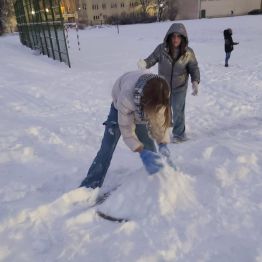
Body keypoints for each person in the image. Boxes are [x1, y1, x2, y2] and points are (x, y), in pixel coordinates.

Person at [80, 71, 173, 189]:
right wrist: (141, 151)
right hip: (118, 108)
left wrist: (163, 143)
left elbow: (159, 120)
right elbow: (126, 128)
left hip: (143, 107)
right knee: (107, 147)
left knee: (149, 146)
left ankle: (158, 179)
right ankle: (90, 184)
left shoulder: (161, 94)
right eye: (152, 108)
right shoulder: (127, 96)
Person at [137, 23, 200, 143]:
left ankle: (179, 134)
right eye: (173, 36)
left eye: (178, 36)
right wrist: (145, 63)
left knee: (178, 110)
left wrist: (195, 81)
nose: (176, 39)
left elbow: (194, 67)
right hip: (163, 87)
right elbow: (152, 59)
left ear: (183, 38)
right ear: (169, 37)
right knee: (162, 110)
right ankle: (162, 131)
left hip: (180, 87)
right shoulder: (161, 49)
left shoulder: (188, 52)